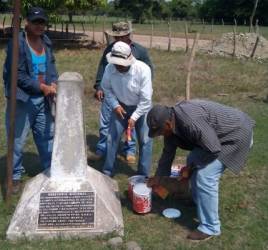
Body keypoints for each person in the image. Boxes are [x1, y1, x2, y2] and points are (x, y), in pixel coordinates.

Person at [146, 100, 255, 241]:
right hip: (217, 139)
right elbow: (167, 155)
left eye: (159, 131)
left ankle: (210, 227)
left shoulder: (189, 121)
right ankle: (198, 200)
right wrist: (159, 181)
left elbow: (213, 149)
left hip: (236, 135)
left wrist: (192, 167)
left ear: (167, 124)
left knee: (205, 175)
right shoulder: (171, 128)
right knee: (192, 159)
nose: (160, 135)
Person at [3, 7, 58, 194]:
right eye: (35, 22)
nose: (39, 26)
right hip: (22, 100)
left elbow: (51, 67)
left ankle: (50, 170)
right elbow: (17, 75)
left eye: (42, 22)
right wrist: (42, 87)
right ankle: (15, 176)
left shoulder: (47, 42)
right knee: (17, 140)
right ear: (27, 22)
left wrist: (54, 82)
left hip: (43, 99)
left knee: (46, 136)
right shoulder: (17, 44)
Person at [90, 21, 154, 164]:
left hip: (135, 96)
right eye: (116, 37)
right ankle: (102, 149)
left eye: (122, 36)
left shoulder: (140, 51)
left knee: (136, 127)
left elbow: (149, 71)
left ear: (128, 35)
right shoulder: (110, 50)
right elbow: (103, 67)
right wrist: (99, 86)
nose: (119, 40)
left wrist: (145, 90)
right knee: (107, 123)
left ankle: (130, 149)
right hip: (114, 93)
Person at [101, 41, 153, 177]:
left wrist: (135, 117)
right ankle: (107, 172)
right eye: (116, 63)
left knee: (145, 141)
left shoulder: (143, 70)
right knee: (112, 137)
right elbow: (106, 88)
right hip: (120, 106)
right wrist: (115, 105)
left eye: (120, 64)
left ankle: (143, 175)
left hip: (142, 108)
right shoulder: (109, 69)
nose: (118, 66)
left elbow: (146, 100)